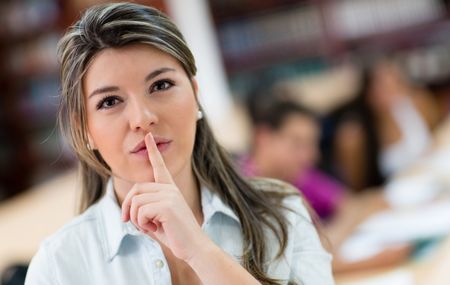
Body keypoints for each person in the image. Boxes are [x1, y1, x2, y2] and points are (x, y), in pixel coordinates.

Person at [25, 3, 333, 285]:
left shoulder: (280, 213)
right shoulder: (58, 266)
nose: (142, 118)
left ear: (195, 94)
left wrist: (200, 251)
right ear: (84, 130)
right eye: (110, 101)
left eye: (161, 85)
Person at [329, 58, 439, 191]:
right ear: (368, 93)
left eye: (396, 85)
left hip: (435, 183)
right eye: (384, 88)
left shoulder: (419, 102)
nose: (392, 94)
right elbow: (355, 190)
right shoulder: (353, 137)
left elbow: (438, 138)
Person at [240, 100, 345, 221]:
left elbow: (348, 204)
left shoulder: (299, 178)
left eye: (313, 145)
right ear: (263, 137)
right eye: (298, 143)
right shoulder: (240, 186)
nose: (312, 155)